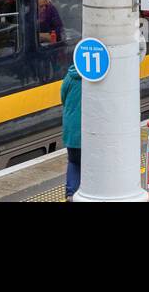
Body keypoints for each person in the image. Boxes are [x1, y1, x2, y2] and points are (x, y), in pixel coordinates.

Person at [61, 61, 82, 200]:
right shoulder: (98, 78)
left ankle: (71, 193)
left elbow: (63, 98)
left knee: (74, 161)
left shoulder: (69, 76)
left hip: (71, 130)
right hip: (91, 130)